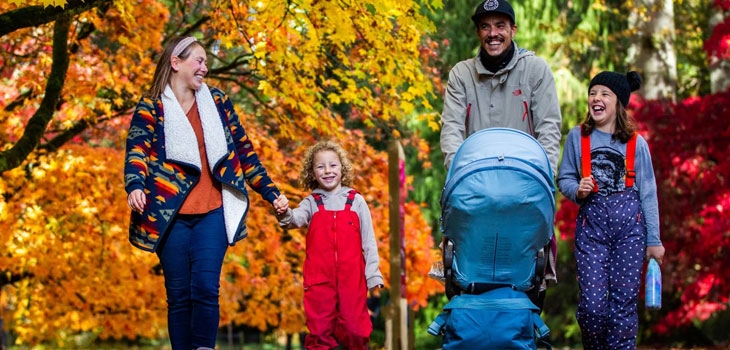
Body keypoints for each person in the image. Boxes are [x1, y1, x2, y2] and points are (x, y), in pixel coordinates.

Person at [124, 36, 288, 350]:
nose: (205, 68)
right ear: (176, 62)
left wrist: (271, 193)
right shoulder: (153, 105)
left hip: (212, 213)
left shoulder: (219, 103)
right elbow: (137, 150)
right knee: (179, 296)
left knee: (204, 287)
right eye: (198, 61)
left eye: (205, 62)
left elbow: (244, 152)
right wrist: (135, 184)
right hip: (170, 215)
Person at [557, 71, 666, 349]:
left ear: (618, 103)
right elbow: (564, 179)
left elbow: (649, 193)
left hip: (630, 233)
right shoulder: (576, 137)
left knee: (623, 310)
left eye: (605, 94)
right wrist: (577, 191)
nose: (597, 98)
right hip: (592, 232)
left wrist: (653, 241)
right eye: (593, 93)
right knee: (593, 309)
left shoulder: (636, 143)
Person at [277, 141, 384, 350]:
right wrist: (283, 211)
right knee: (319, 332)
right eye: (320, 166)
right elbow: (294, 220)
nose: (327, 171)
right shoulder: (312, 202)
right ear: (312, 172)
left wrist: (373, 275)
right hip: (319, 280)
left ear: (342, 168)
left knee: (355, 330)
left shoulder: (356, 201)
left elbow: (369, 242)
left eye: (333, 165)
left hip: (352, 279)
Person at [439, 0, 562, 174]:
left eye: (500, 26)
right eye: (485, 27)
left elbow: (548, 127)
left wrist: (544, 175)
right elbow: (451, 129)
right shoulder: (461, 74)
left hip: (525, 175)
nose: (493, 33)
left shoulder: (535, 70)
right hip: (476, 175)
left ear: (513, 30)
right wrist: (459, 174)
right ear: (478, 33)